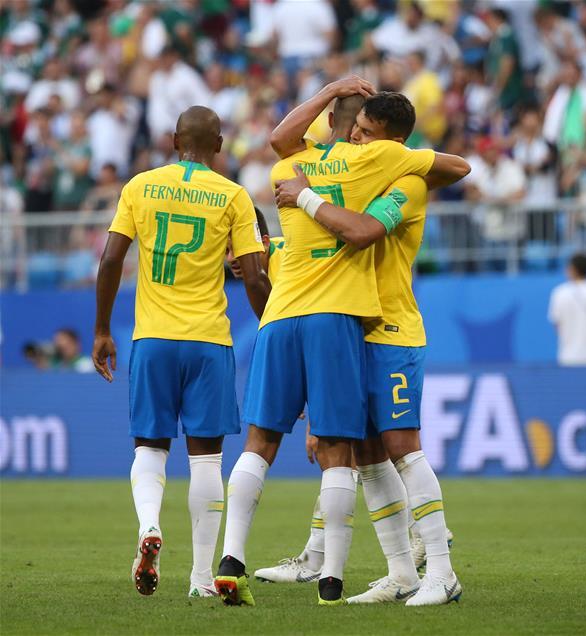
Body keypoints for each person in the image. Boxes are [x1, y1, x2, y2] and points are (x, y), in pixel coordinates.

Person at [214, 78, 470, 607]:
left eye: (367, 134)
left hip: (392, 328)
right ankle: (401, 571)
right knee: (369, 455)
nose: (355, 140)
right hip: (350, 326)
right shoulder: (362, 170)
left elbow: (363, 231)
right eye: (354, 130)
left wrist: (304, 197)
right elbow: (294, 154)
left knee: (402, 446)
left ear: (390, 144)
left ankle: (440, 568)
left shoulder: (405, 182)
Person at [92, 106, 271, 599]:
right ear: (219, 145)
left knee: (150, 449)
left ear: (174, 141)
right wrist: (273, 328)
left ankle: (149, 525)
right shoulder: (233, 195)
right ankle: (199, 580)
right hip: (209, 341)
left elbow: (110, 258)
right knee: (208, 460)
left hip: (152, 338)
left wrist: (103, 329)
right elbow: (253, 276)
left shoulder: (139, 186)